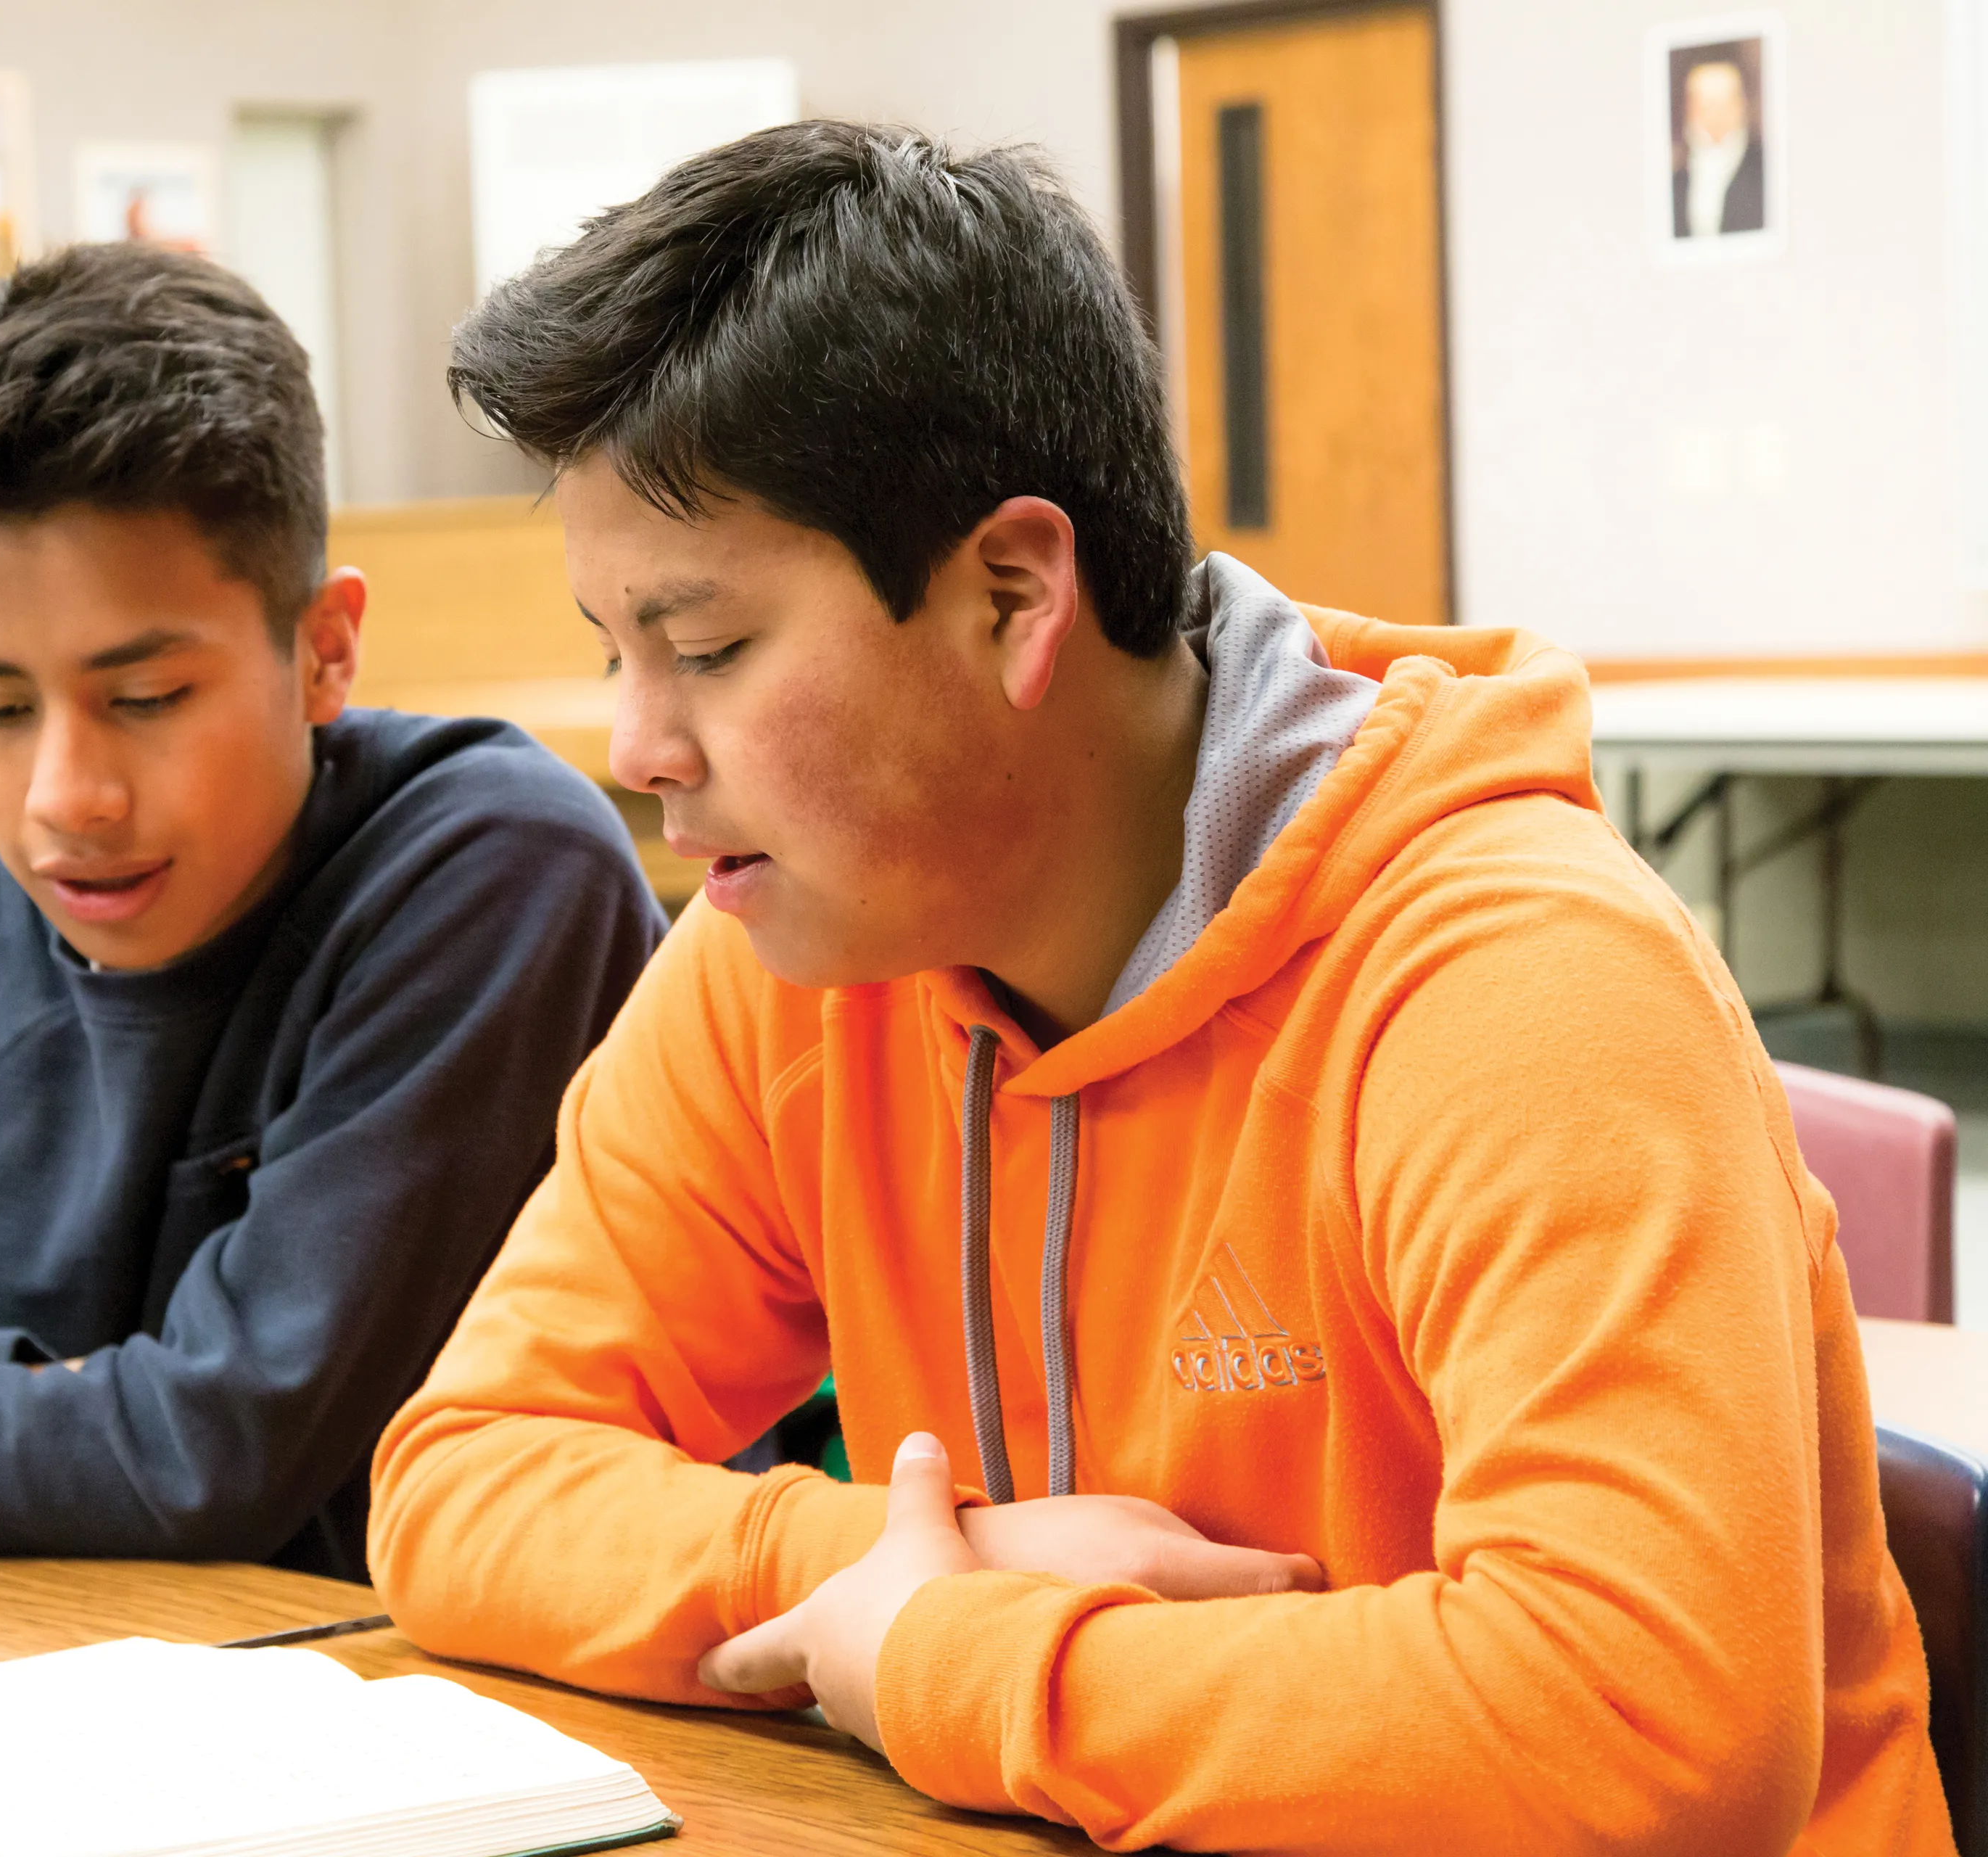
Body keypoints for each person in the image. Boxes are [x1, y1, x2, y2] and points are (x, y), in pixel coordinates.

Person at [368, 122, 1950, 1853]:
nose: (643, 748)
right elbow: (458, 1478)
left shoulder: (1520, 985)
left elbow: (1648, 1722)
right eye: (615, 652)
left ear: (1010, 594)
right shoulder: (792, 953)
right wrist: (886, 1567)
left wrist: (968, 1659)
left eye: (707, 648)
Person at [0, 241, 664, 1577]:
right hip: (110, 1685)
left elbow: (213, 1459)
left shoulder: (499, 871)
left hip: (529, 1725)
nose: (67, 798)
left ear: (326, 651)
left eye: (146, 700)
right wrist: (39, 1393)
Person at [1673, 49, 1765, 239]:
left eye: (1724, 101)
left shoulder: (1766, 172)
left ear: (1743, 104)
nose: (1716, 115)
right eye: (1706, 103)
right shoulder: (1673, 181)